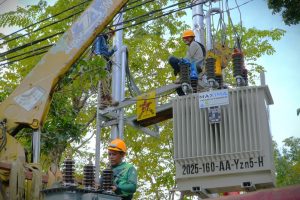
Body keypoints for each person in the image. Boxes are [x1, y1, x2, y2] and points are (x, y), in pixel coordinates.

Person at [168, 29, 205, 95]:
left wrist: (176, 66)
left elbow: (187, 59)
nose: (185, 39)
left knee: (172, 59)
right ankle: (184, 99)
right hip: (193, 68)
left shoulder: (194, 44)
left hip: (194, 67)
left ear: (192, 38)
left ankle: (181, 76)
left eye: (187, 38)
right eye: (184, 38)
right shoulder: (192, 46)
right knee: (178, 88)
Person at [93, 28, 118, 108]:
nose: (110, 35)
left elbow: (107, 54)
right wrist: (98, 55)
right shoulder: (100, 37)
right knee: (104, 77)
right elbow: (97, 49)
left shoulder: (106, 41)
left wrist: (113, 51)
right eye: (110, 33)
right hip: (100, 58)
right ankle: (108, 97)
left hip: (105, 59)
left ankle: (102, 101)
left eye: (111, 35)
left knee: (103, 79)